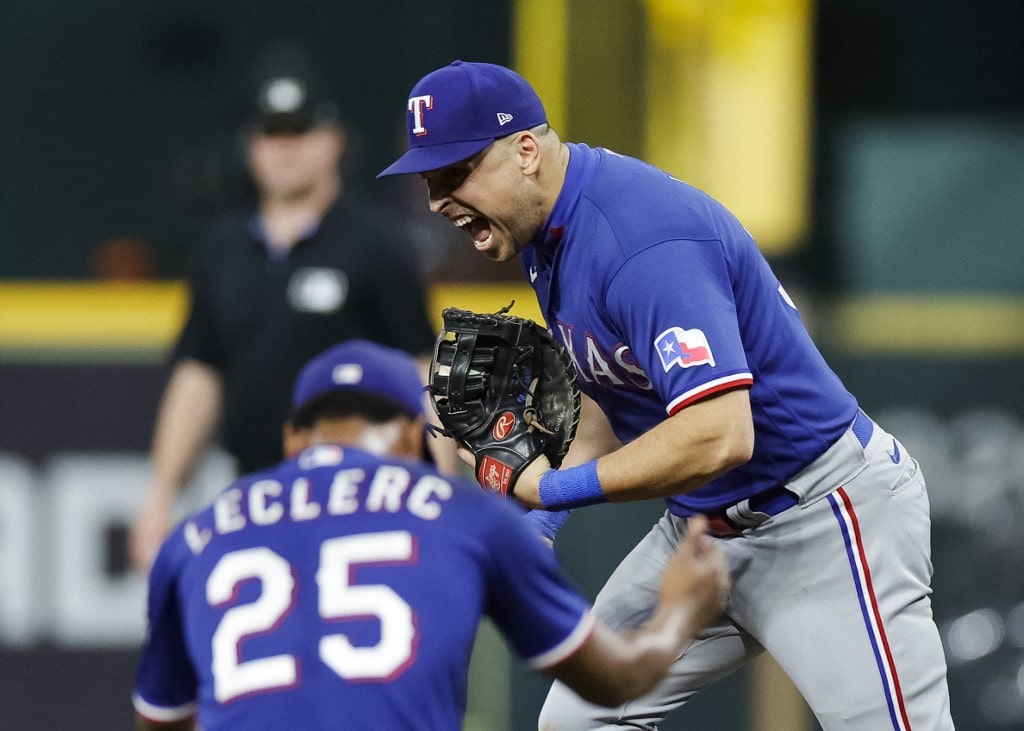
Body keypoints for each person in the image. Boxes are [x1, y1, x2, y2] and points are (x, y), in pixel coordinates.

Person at [377, 60, 954, 729]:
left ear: (525, 152)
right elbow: (607, 388)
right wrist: (542, 522)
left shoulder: (639, 239)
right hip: (705, 533)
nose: (435, 201)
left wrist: (552, 489)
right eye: (428, 180)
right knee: (576, 721)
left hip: (819, 517)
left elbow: (721, 434)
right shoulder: (546, 227)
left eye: (453, 175)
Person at [131, 339, 729, 730]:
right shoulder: (463, 516)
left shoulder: (196, 536)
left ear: (292, 439)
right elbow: (614, 678)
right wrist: (678, 612)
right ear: (416, 438)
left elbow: (161, 720)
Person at [129, 48, 445, 575]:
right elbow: (200, 373)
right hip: (255, 490)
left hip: (360, 496)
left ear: (334, 139)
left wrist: (438, 487)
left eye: (301, 130)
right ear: (251, 145)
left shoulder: (377, 244)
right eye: (272, 132)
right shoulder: (224, 247)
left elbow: (422, 372)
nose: (286, 148)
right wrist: (160, 493)